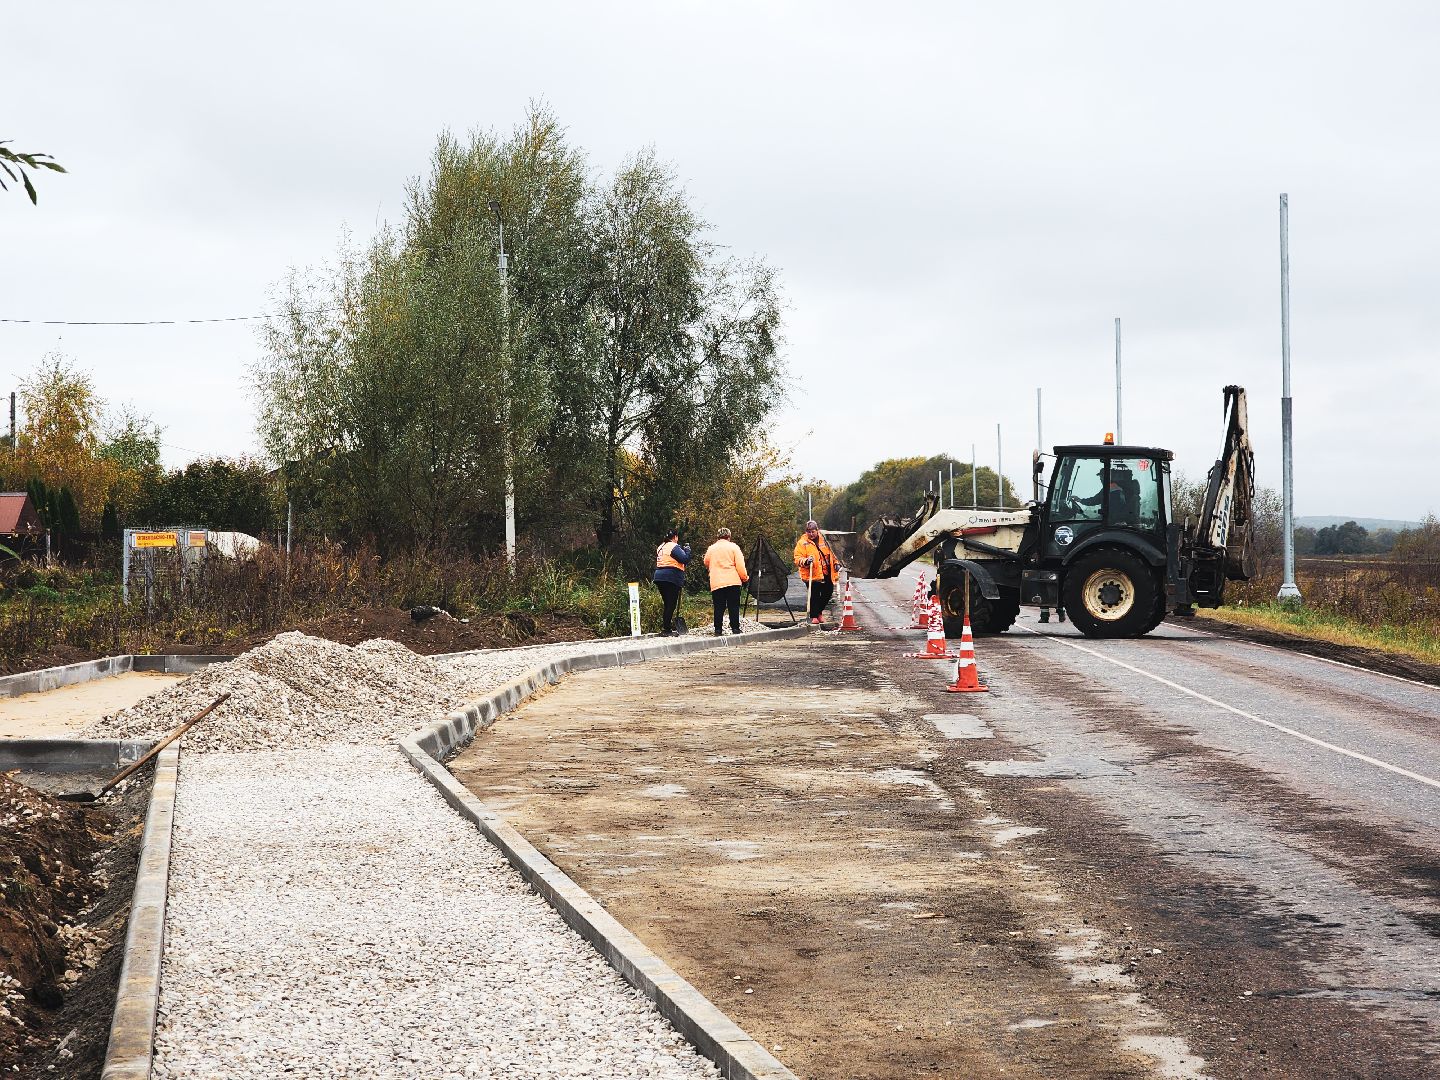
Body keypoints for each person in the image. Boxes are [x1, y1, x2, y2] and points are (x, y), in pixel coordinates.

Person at [703, 527, 748, 635]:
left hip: (716, 582)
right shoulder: (734, 547)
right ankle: (735, 628)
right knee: (733, 606)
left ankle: (718, 630)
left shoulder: (711, 548)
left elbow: (706, 562)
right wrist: (744, 578)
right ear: (729, 536)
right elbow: (740, 565)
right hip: (733, 581)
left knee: (718, 606)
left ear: (718, 537)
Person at [794, 520, 839, 624]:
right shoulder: (802, 543)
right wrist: (806, 561)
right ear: (806, 532)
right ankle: (814, 616)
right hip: (811, 573)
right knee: (814, 595)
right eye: (809, 532)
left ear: (817, 530)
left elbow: (833, 553)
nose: (811, 534)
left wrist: (836, 563)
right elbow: (797, 558)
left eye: (813, 531)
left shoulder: (825, 540)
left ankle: (819, 612)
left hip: (826, 572)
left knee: (828, 592)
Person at [652, 529, 691, 636]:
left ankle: (666, 627)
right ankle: (666, 629)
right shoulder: (673, 546)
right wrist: (687, 550)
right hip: (671, 577)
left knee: (667, 603)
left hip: (659, 577)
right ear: (675, 537)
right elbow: (684, 559)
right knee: (671, 604)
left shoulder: (661, 547)